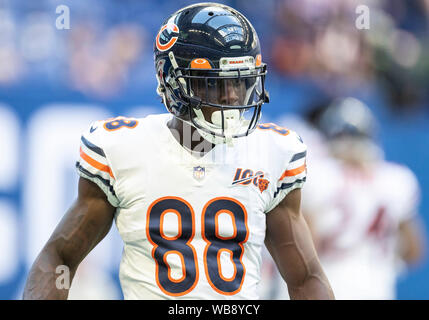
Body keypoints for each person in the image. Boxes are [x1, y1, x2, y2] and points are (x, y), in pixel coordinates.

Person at [23, 2, 333, 300]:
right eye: (212, 83)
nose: (231, 96)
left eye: (239, 81)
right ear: (170, 81)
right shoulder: (124, 149)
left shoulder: (273, 153)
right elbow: (59, 257)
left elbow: (304, 278)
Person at [260, 97, 425, 300]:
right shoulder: (395, 180)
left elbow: (301, 246)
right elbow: (414, 252)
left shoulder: (321, 175)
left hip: (327, 285)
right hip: (377, 289)